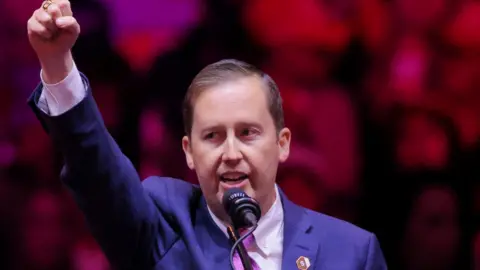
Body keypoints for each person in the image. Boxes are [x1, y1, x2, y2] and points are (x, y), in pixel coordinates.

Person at [26, 1, 387, 269]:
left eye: (247, 133)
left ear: (282, 144)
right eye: (212, 136)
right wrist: (58, 66)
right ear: (188, 151)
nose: (231, 152)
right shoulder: (164, 228)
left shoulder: (352, 252)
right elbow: (98, 173)